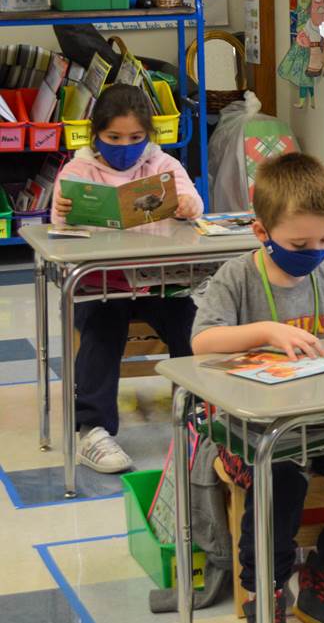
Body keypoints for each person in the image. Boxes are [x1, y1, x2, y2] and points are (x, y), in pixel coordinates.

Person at [191, 153, 324, 623]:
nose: (314, 250)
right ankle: (264, 585)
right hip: (250, 431)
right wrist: (267, 331)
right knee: (280, 479)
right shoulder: (237, 278)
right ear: (260, 232)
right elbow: (202, 342)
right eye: (299, 241)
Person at [50, 83, 204, 474]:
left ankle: (201, 411)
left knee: (195, 327)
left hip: (158, 282)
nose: (125, 146)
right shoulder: (78, 169)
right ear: (96, 134)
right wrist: (65, 213)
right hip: (102, 285)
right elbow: (59, 229)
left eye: (136, 137)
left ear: (148, 136)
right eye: (113, 137)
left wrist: (187, 205)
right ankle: (94, 428)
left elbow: (194, 203)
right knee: (101, 334)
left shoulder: (164, 166)